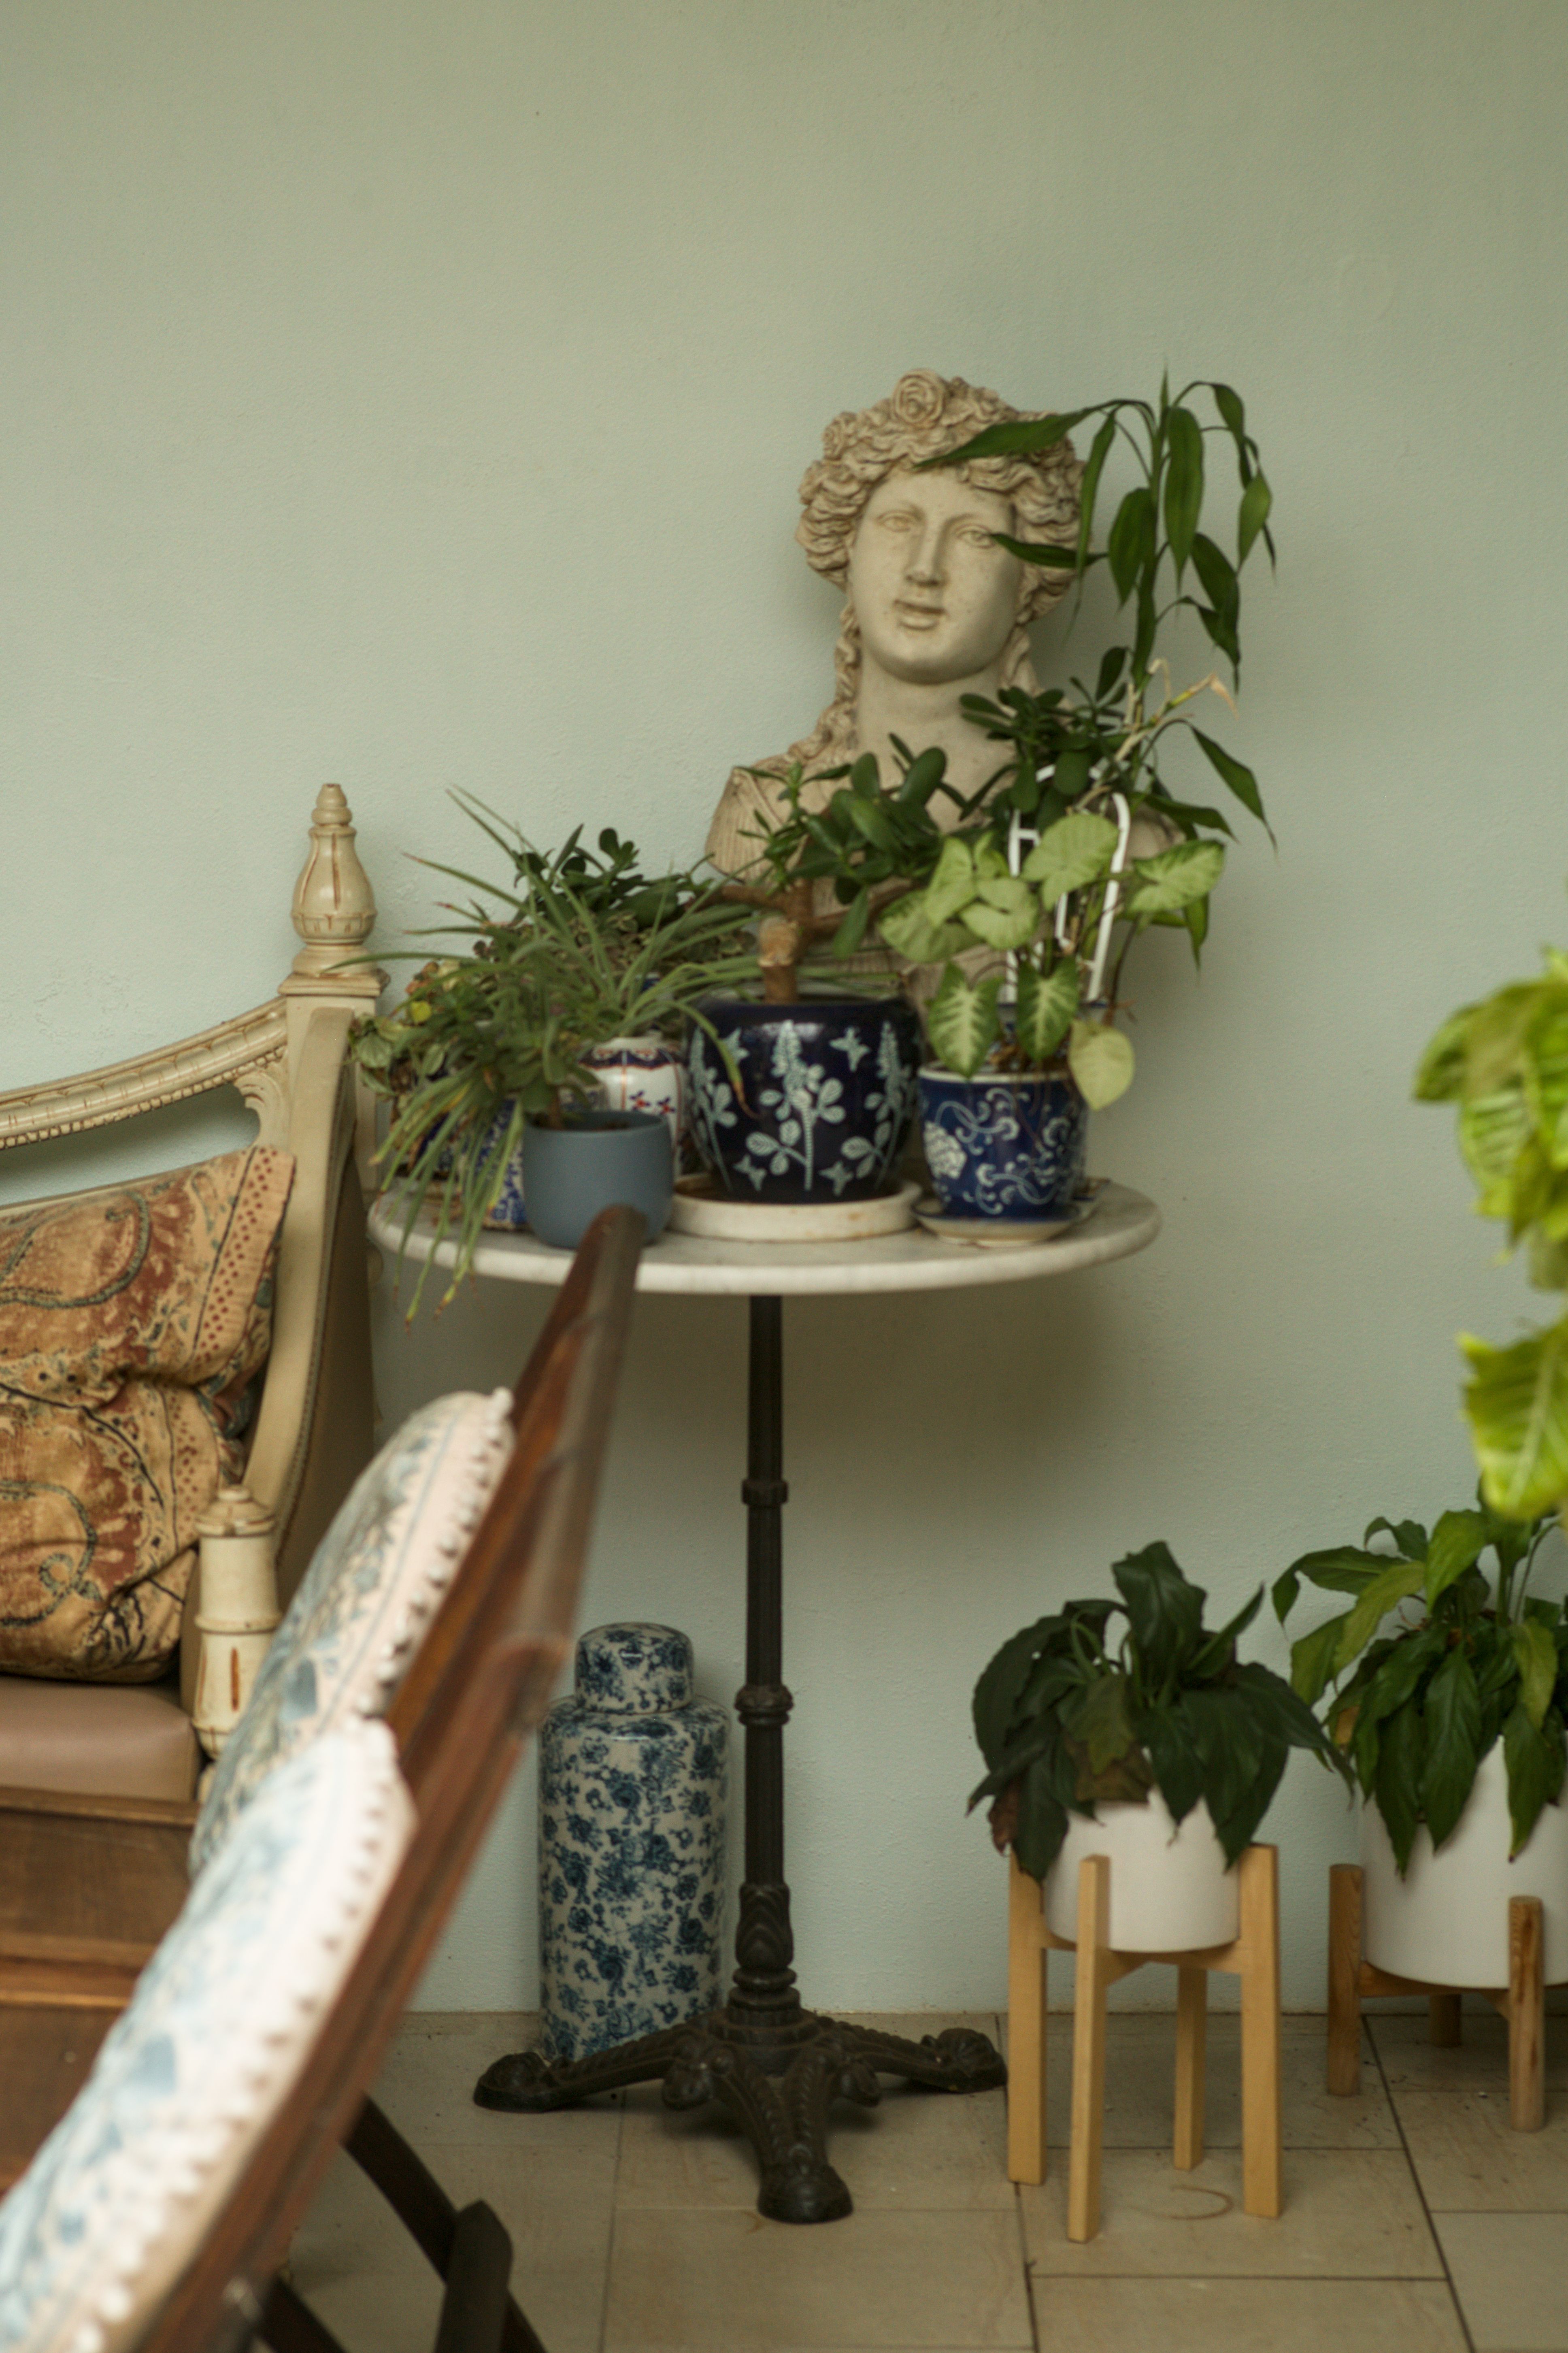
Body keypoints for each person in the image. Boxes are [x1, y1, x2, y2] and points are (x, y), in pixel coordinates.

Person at [706, 369, 1082, 884]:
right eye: (899, 523)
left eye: (974, 536)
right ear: (847, 547)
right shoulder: (764, 814)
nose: (925, 568)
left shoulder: (1089, 812)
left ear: (1027, 579)